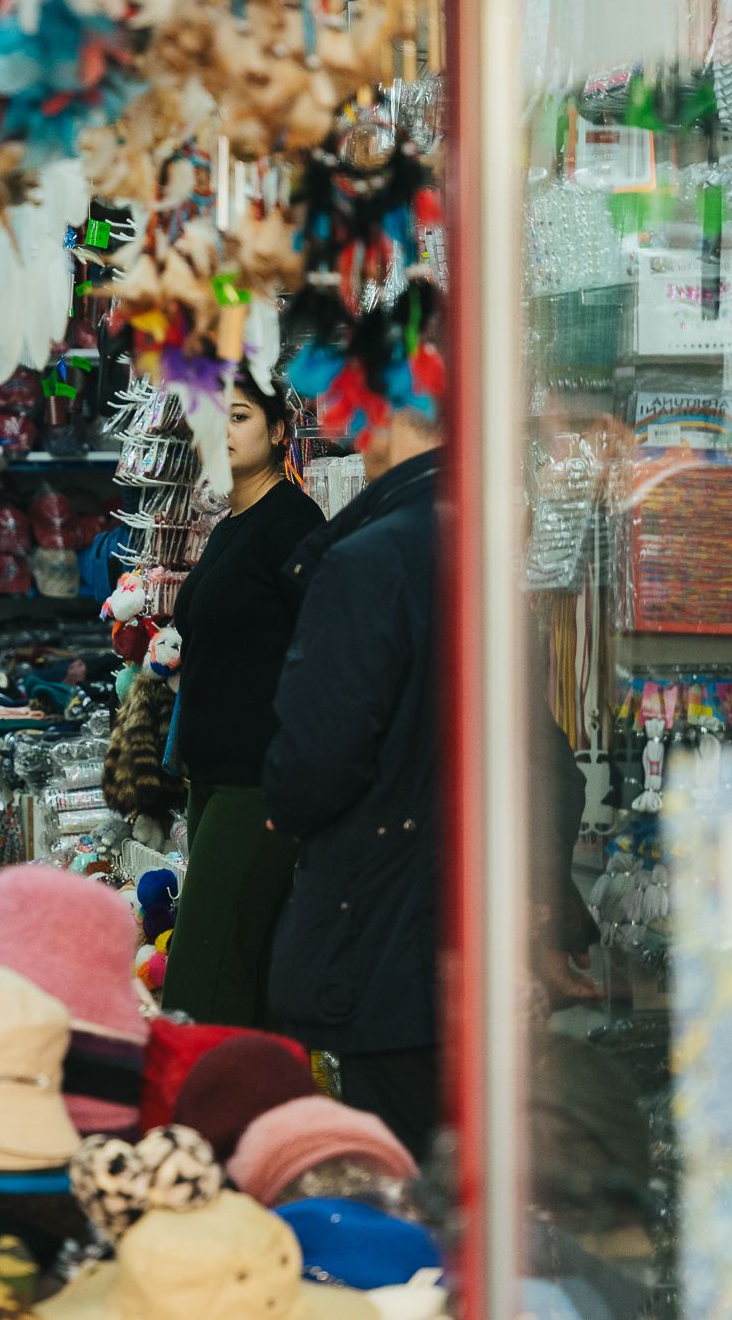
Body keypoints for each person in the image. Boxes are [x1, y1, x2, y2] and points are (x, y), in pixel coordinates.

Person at [261, 409, 599, 1158]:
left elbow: (315, 763)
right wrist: (543, 907)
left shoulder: (371, 558)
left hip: (385, 936)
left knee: (407, 1184)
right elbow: (543, 758)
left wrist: (284, 800)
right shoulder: (472, 548)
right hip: (453, 937)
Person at [159, 373, 323, 1027]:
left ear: (279, 429)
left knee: (203, 982)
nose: (221, 431)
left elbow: (325, 651)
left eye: (239, 415)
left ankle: (200, 1118)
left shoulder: (293, 524)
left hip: (259, 786)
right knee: (240, 979)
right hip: (215, 780)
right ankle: (255, 1119)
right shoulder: (232, 527)